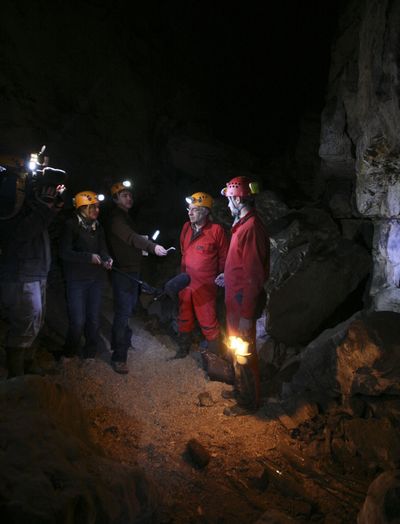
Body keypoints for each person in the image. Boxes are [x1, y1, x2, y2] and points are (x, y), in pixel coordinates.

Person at [0, 151, 67, 378]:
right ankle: (16, 374)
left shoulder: (27, 204)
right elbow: (20, 234)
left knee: (35, 322)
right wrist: (44, 209)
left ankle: (28, 364)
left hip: (35, 271)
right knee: (25, 322)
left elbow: (37, 229)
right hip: (20, 273)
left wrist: (51, 209)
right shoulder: (7, 202)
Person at [216, 176, 270, 413]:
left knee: (245, 353)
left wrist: (247, 314)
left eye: (229, 200)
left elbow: (254, 274)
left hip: (243, 305)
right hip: (235, 302)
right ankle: (241, 391)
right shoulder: (241, 224)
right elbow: (241, 265)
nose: (227, 205)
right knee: (236, 349)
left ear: (238, 199)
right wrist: (227, 277)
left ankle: (249, 403)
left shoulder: (252, 228)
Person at [106, 180, 168, 374]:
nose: (129, 198)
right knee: (123, 313)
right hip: (123, 272)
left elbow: (131, 239)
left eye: (130, 195)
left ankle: (125, 340)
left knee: (130, 308)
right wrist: (152, 247)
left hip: (132, 270)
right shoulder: (116, 218)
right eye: (124, 195)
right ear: (115, 199)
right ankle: (119, 356)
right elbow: (131, 238)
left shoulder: (126, 216)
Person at [60, 191, 113, 359]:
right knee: (77, 321)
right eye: (92, 207)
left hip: (95, 279)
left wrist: (107, 259)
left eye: (97, 207)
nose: (96, 210)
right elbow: (65, 253)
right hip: (76, 280)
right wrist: (89, 257)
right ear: (82, 208)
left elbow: (103, 248)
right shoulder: (70, 225)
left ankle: (90, 352)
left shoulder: (98, 226)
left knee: (94, 318)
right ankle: (69, 353)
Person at [176, 192, 229, 358]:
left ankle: (215, 357)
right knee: (184, 316)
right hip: (185, 282)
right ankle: (183, 348)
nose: (190, 213)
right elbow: (184, 252)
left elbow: (224, 257)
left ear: (206, 212)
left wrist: (222, 275)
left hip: (205, 285)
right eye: (189, 209)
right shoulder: (186, 228)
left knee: (208, 321)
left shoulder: (216, 231)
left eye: (195, 210)